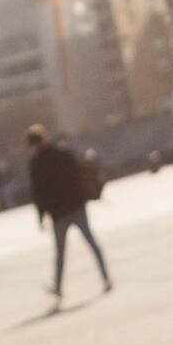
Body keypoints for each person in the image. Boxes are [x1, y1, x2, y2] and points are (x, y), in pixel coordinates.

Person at [25, 124, 111, 308]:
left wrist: (41, 217)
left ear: (32, 144)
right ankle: (106, 277)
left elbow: (38, 194)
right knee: (91, 242)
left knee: (60, 253)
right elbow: (78, 175)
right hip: (77, 206)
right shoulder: (63, 152)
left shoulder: (36, 163)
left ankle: (57, 286)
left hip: (58, 214)